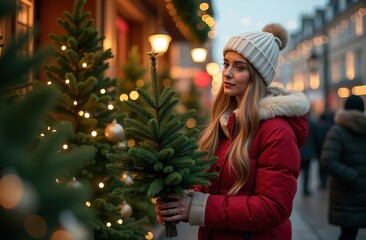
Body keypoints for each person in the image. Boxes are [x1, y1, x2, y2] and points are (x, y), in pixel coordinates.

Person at [155, 23, 310, 239]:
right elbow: (213, 182)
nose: (227, 73)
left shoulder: (277, 131)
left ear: (257, 75)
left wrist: (200, 207)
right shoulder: (226, 123)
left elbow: (273, 208)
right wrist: (186, 198)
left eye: (239, 67)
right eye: (226, 64)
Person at [320, 95, 366, 240]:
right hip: (350, 192)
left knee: (348, 234)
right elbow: (328, 160)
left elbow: (327, 160)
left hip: (345, 195)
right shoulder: (339, 131)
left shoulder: (337, 131)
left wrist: (350, 176)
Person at [299, 111, 319, 196]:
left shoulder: (299, 122)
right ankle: (305, 189)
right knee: (307, 172)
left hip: (299, 151)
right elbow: (316, 137)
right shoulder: (312, 123)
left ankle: (297, 189)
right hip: (309, 151)